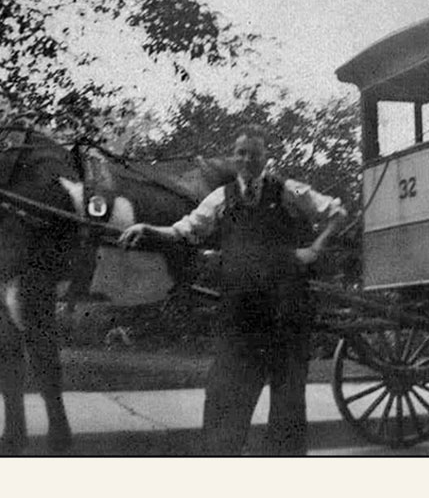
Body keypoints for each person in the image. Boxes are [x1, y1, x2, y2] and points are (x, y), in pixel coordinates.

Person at [118, 124, 347, 455]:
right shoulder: (221, 198)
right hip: (241, 312)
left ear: (265, 157)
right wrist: (147, 229)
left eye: (254, 154)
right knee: (225, 393)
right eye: (241, 153)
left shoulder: (288, 191)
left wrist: (314, 250)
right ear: (233, 157)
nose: (247, 160)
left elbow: (336, 213)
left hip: (286, 310)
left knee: (287, 400)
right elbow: (186, 230)